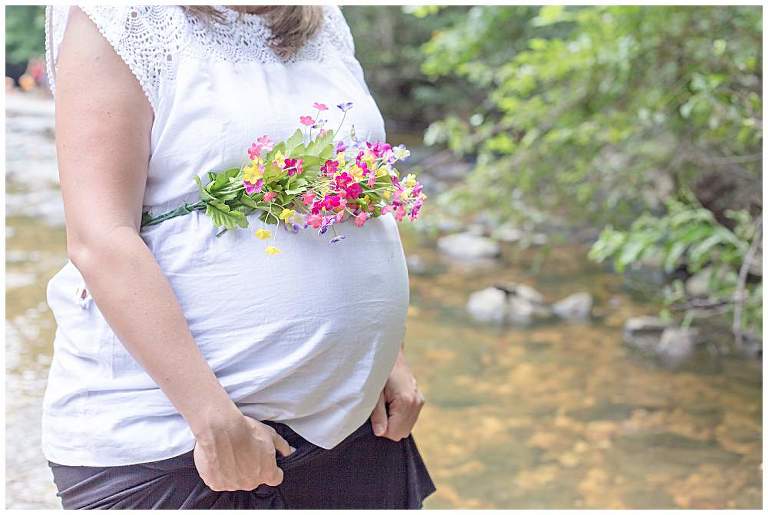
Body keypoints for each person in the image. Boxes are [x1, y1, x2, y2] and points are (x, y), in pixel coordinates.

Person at [42, 4, 436, 509]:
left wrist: (387, 358)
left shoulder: (323, 18)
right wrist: (212, 420)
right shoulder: (119, 16)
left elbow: (352, 183)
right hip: (189, 446)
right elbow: (100, 237)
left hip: (355, 424)